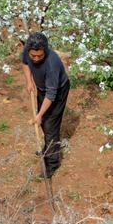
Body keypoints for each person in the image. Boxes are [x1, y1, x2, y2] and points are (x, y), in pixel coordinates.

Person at [21, 32, 70, 179]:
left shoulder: (51, 63)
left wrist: (39, 115)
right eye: (33, 56)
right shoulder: (28, 51)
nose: (36, 59)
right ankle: (48, 148)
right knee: (43, 123)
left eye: (39, 56)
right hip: (43, 89)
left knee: (50, 126)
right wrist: (29, 81)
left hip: (57, 91)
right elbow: (25, 63)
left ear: (45, 51)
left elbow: (51, 94)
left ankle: (52, 163)